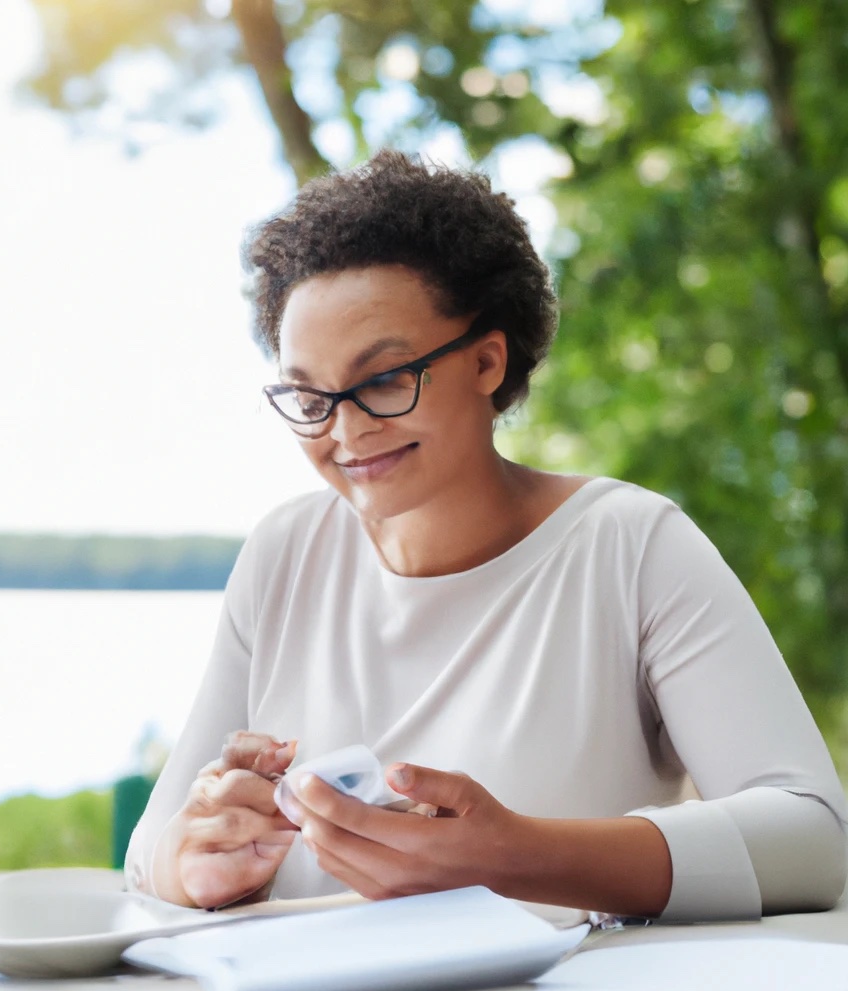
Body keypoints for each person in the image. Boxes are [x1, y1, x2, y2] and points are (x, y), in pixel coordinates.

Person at [125, 150, 847, 922]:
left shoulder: (630, 547)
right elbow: (149, 858)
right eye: (309, 395)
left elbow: (813, 837)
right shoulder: (284, 555)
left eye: (382, 380)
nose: (345, 430)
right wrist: (193, 858)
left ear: (486, 361)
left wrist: (518, 857)